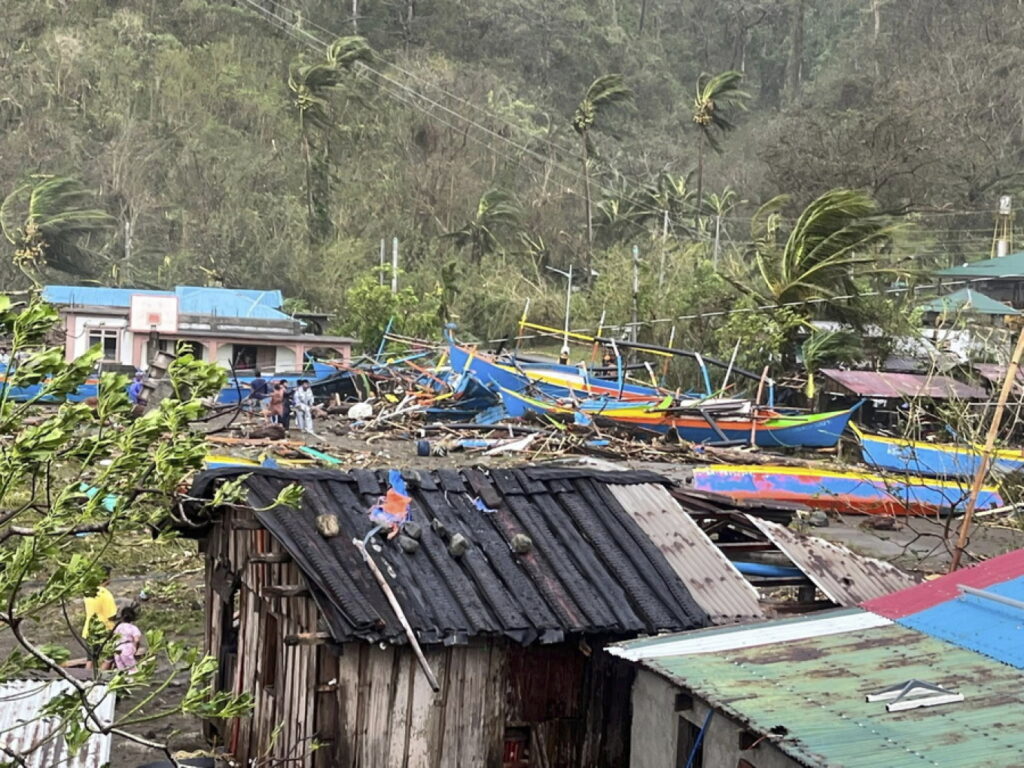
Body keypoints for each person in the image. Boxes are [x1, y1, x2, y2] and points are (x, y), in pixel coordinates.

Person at [82, 566, 117, 667]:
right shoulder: (106, 594)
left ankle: (85, 679)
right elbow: (112, 615)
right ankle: (100, 678)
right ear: (106, 578)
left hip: (89, 629)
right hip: (104, 630)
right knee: (109, 658)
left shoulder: (88, 592)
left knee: (91, 659)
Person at [112, 603, 144, 672]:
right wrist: (136, 648)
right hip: (127, 649)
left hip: (117, 648)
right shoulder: (133, 628)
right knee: (133, 669)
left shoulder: (118, 627)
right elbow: (137, 640)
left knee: (121, 670)